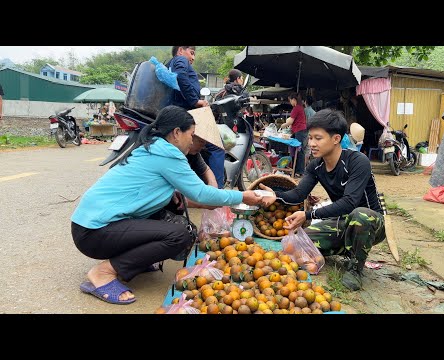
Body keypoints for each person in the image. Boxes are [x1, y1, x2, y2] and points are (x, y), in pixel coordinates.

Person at [71, 105, 264, 305]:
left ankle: (134, 261)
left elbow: (178, 195)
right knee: (179, 235)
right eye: (191, 134)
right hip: (94, 232)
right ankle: (103, 272)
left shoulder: (153, 147)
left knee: (171, 219)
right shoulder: (168, 155)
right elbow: (202, 193)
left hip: (89, 226)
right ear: (176, 133)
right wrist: (243, 196)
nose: (192, 139)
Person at [259, 109, 386, 291]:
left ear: (335, 139)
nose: (312, 143)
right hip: (342, 221)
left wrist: (308, 214)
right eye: (310, 138)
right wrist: (275, 195)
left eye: (318, 138)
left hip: (371, 223)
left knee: (361, 215)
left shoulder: (358, 161)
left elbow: (350, 202)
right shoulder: (316, 165)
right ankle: (347, 246)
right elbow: (297, 194)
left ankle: (355, 269)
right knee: (295, 246)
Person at [167, 46, 225, 188]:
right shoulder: (180, 59)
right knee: (217, 147)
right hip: (186, 113)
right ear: (180, 50)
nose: (193, 58)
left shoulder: (168, 64)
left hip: (178, 112)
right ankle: (218, 190)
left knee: (196, 150)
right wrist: (195, 101)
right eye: (191, 53)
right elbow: (180, 76)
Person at [280, 93, 307, 177]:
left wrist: (282, 125)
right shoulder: (299, 108)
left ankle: (300, 171)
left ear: (294, 100)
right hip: (298, 130)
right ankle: (296, 170)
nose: (290, 102)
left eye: (290, 100)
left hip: (300, 130)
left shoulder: (296, 108)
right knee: (296, 150)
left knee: (299, 150)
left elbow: (290, 121)